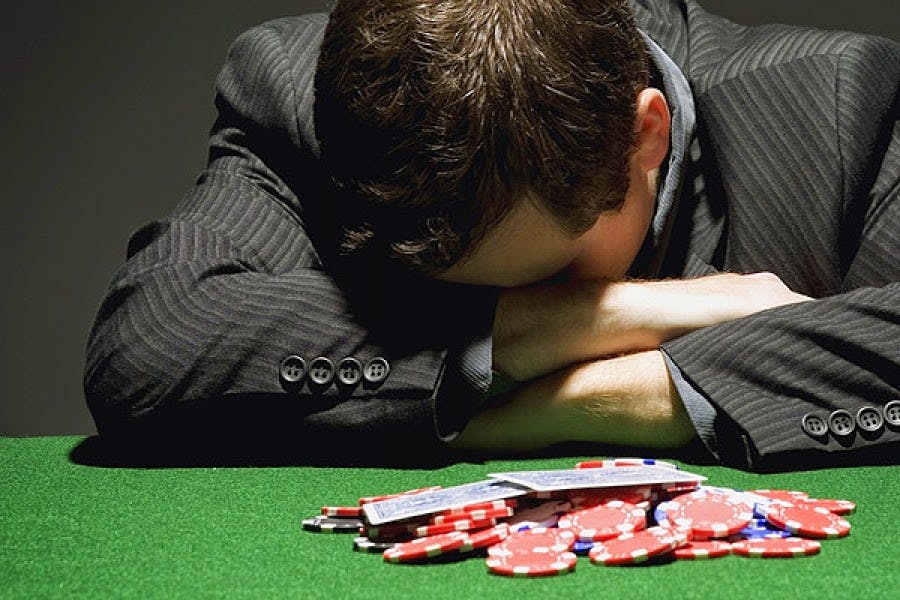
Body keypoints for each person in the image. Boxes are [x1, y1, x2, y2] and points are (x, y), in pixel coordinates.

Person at [83, 0, 900, 471]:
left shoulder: (837, 108)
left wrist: (628, 399)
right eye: (457, 292)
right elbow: (149, 343)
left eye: (555, 274)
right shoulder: (301, 94)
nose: (510, 301)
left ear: (645, 137)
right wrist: (566, 326)